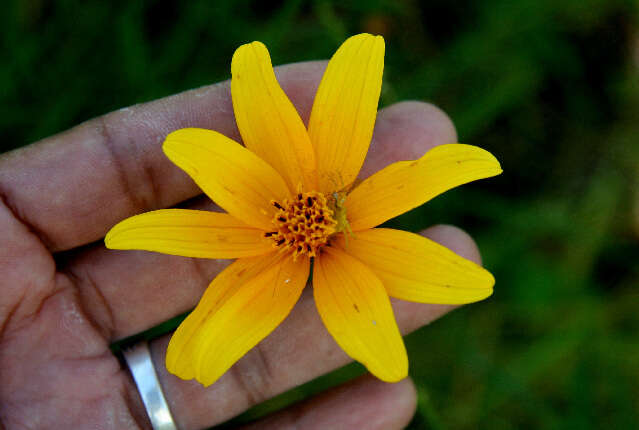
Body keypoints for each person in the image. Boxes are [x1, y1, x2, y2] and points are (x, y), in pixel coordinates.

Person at [0, 60, 485, 430]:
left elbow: (420, 180)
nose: (307, 220)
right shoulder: (278, 241)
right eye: (303, 220)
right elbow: (194, 173)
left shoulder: (339, 229)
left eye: (311, 219)